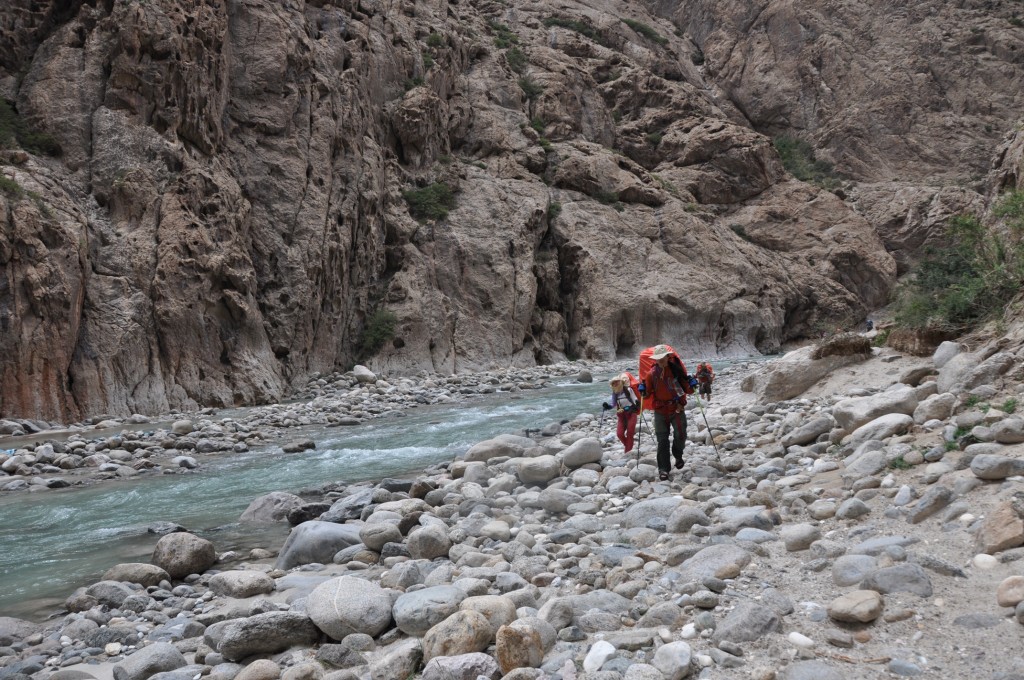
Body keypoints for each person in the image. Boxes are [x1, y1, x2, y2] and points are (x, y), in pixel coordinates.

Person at [638, 344, 695, 480]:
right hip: (660, 410)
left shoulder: (676, 371)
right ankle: (663, 469)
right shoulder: (651, 374)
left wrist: (692, 383)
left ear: (668, 357)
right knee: (662, 439)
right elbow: (647, 395)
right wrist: (643, 390)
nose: (660, 361)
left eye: (662, 358)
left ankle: (677, 454)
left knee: (681, 434)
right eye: (657, 359)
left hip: (677, 408)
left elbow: (689, 390)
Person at [602, 373, 639, 453]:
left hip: (631, 413)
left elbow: (635, 400)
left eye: (617, 382)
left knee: (630, 433)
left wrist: (636, 405)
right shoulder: (615, 393)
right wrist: (607, 406)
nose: (615, 384)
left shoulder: (628, 390)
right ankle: (628, 446)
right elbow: (613, 404)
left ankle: (628, 451)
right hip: (621, 415)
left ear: (621, 382)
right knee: (619, 434)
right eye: (613, 383)